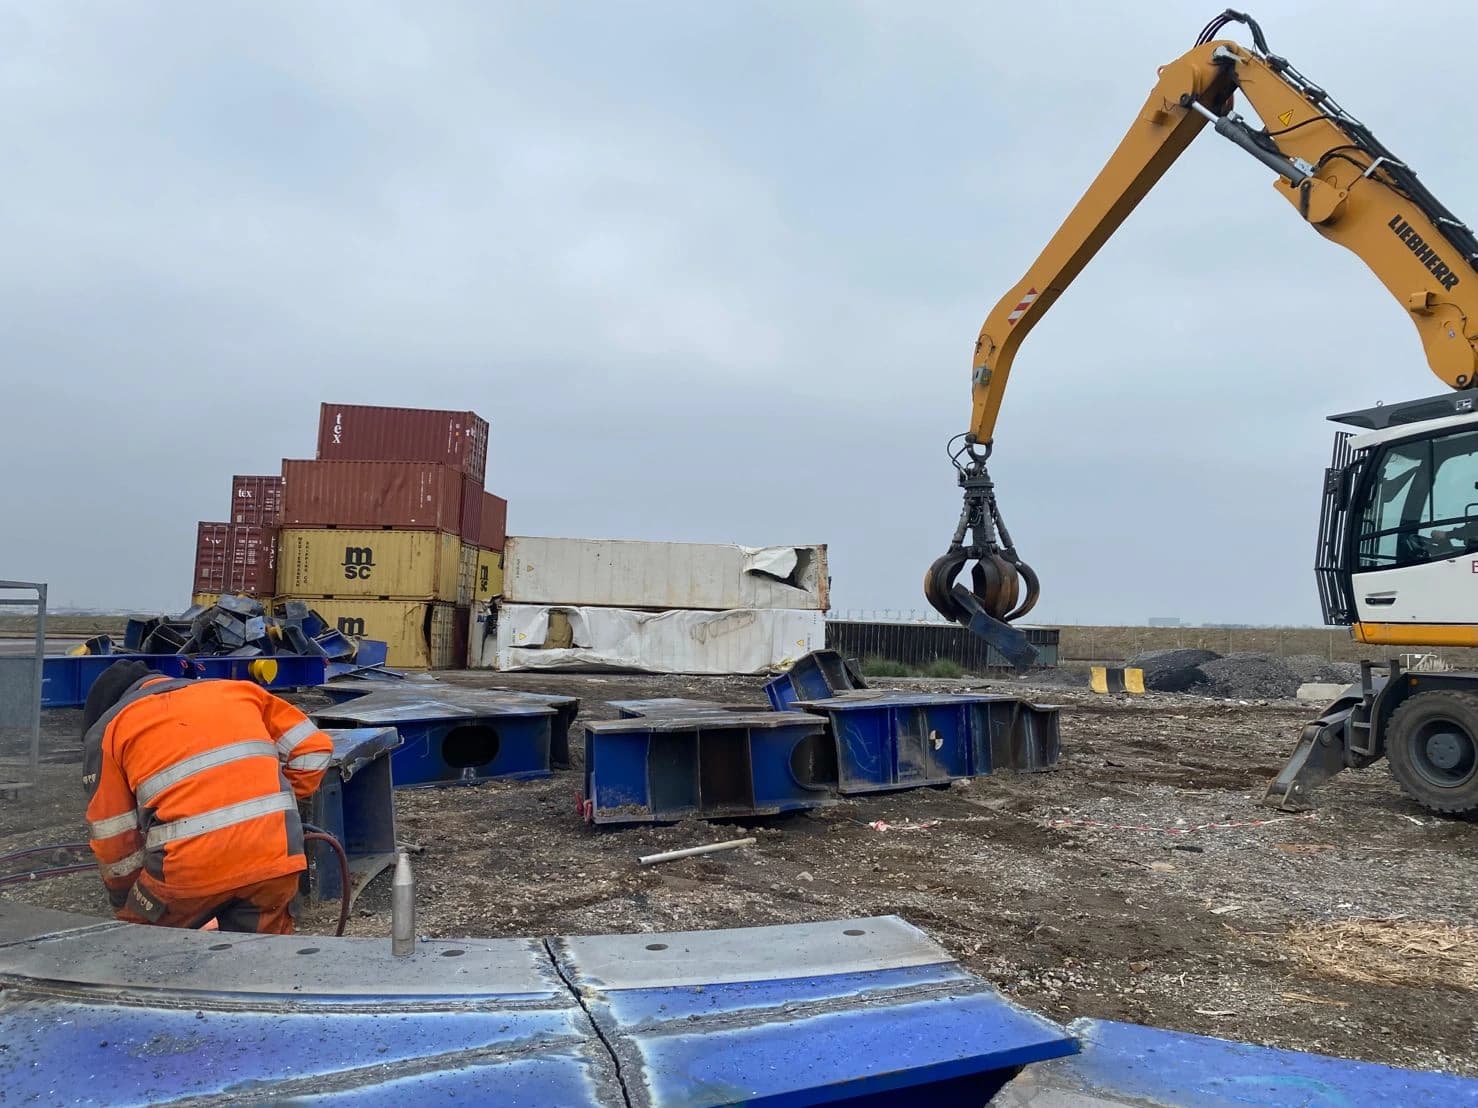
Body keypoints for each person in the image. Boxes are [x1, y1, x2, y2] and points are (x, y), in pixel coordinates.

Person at [81, 660, 334, 934]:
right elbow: (314, 750)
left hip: (186, 873)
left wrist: (126, 903)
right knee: (264, 964)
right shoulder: (238, 692)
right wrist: (273, 811)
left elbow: (114, 840)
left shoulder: (109, 730)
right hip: (275, 861)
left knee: (145, 948)